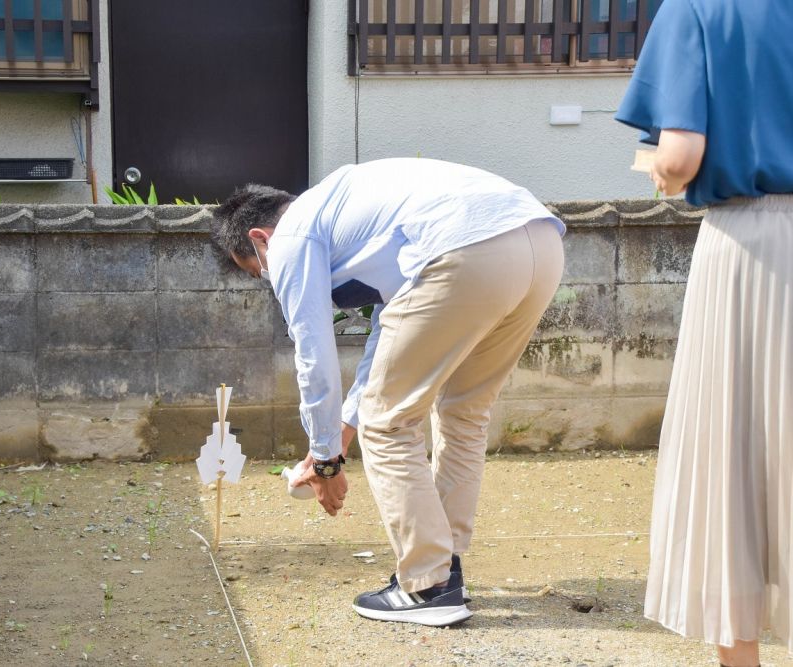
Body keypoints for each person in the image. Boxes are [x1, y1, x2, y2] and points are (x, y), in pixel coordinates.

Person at [211, 158, 564, 626]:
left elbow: (313, 356)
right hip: (538, 241)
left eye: (260, 272)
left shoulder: (292, 237)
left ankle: (429, 586)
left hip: (463, 248)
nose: (270, 280)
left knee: (389, 424)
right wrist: (339, 434)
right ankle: (445, 566)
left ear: (260, 238)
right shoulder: (349, 211)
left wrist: (325, 461)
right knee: (464, 413)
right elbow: (387, 333)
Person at [615, 2, 793, 666]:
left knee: (733, 463)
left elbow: (683, 154)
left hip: (749, 250)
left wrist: (662, 171)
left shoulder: (700, 9)